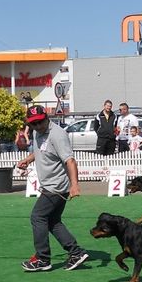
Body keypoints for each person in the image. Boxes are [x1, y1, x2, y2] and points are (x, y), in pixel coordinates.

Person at [16, 105, 89, 272]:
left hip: (55, 187)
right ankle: (76, 252)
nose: (38, 126)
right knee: (53, 221)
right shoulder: (36, 132)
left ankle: (42, 258)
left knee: (37, 217)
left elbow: (70, 160)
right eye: (34, 123)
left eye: (40, 122)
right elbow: (41, 151)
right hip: (50, 185)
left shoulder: (58, 134)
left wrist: (75, 185)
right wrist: (28, 159)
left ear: (46, 117)